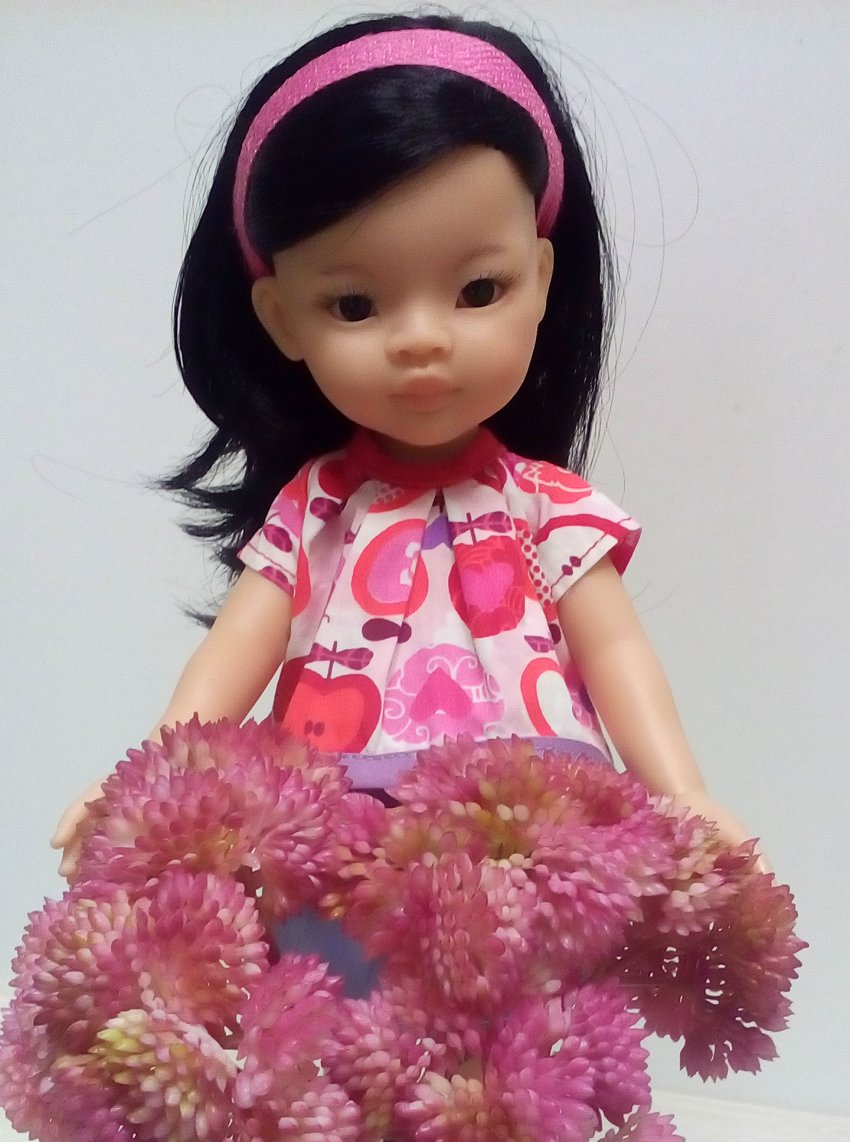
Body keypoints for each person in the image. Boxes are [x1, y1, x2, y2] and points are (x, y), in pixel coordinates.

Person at [52, 12, 756, 879]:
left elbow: (614, 650)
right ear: (282, 320)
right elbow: (231, 658)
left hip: (532, 818)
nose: (421, 340)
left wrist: (682, 791)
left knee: (532, 961)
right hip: (336, 822)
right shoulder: (315, 512)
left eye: (478, 290)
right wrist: (150, 783)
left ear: (541, 281)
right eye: (355, 305)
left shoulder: (545, 507)